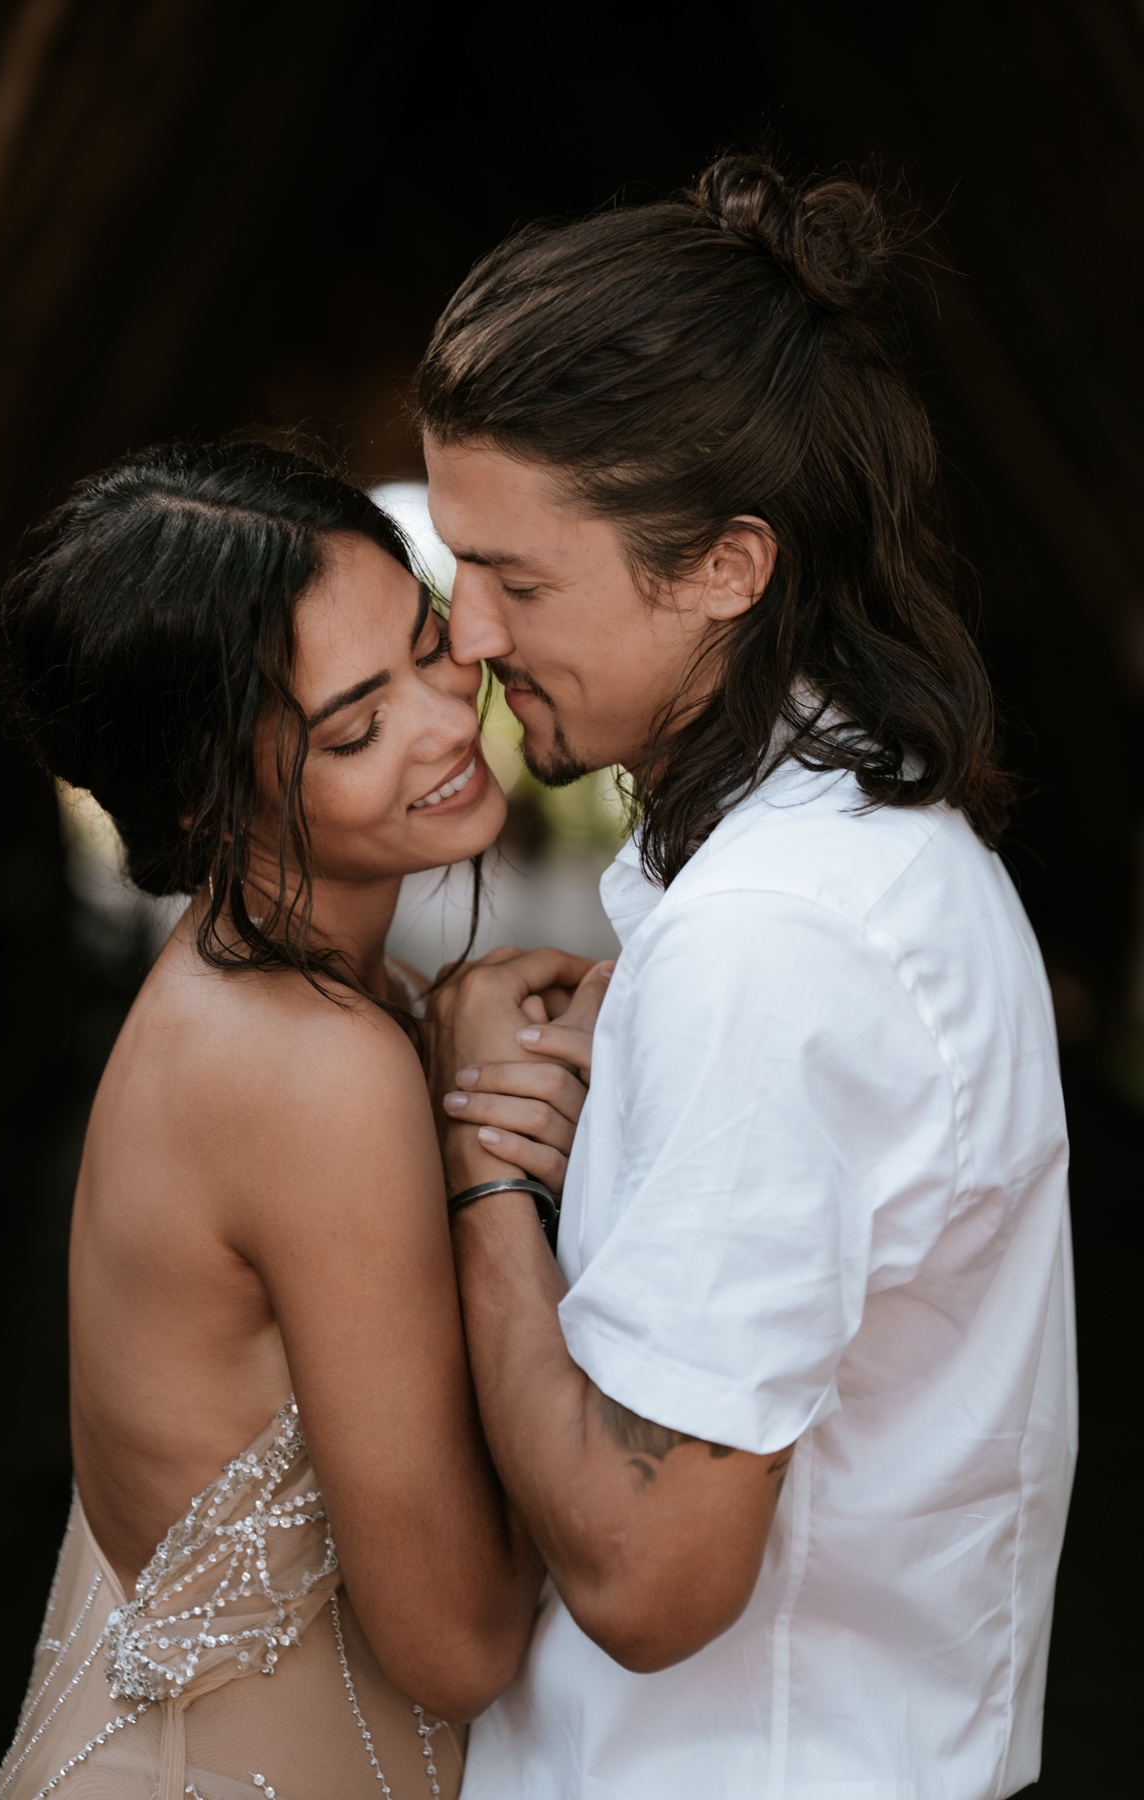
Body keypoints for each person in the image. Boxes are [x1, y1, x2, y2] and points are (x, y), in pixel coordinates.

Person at [417, 155, 1077, 1798]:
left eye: (519, 578)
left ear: (726, 566)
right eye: (457, 563)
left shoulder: (774, 938)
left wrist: (485, 1175)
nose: (470, 637)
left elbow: (653, 1578)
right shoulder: (860, 863)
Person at [0, 440, 590, 1800]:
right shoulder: (312, 1069)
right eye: (355, 728)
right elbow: (461, 1642)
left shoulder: (251, 994)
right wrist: (489, 1176)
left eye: (436, 647)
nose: (449, 721)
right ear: (206, 793)